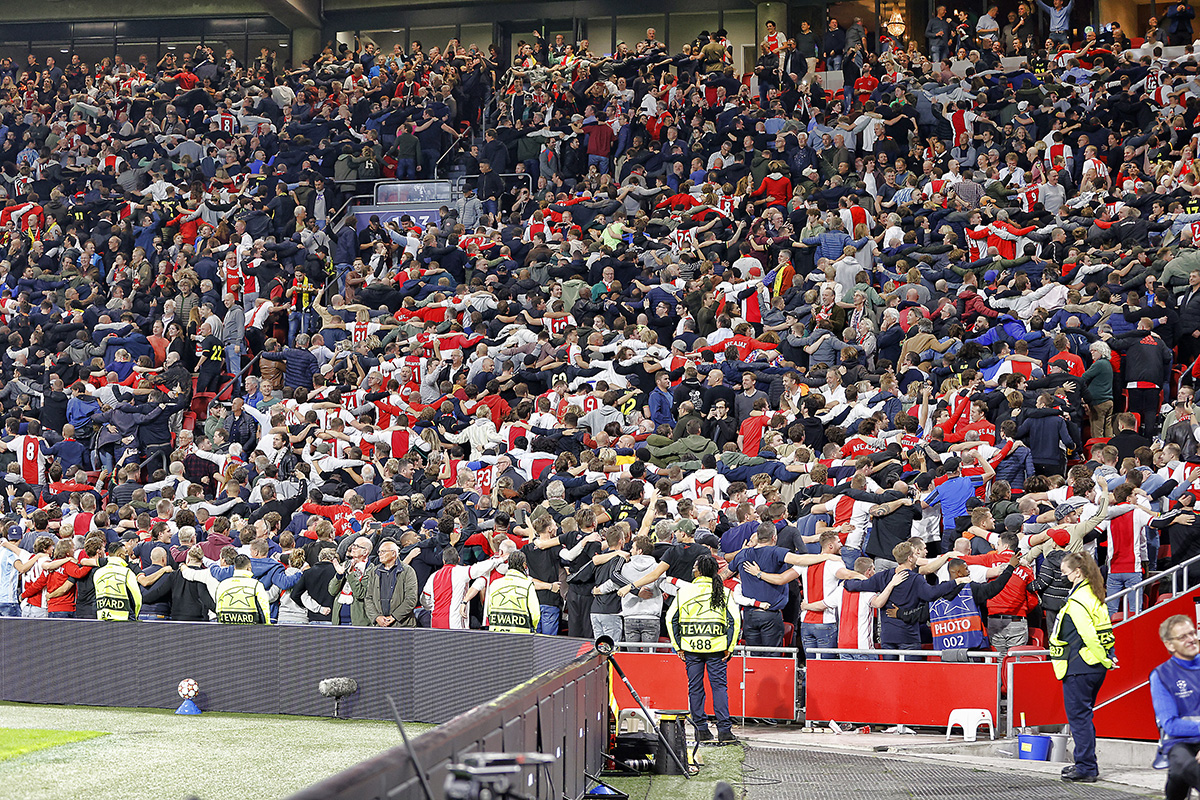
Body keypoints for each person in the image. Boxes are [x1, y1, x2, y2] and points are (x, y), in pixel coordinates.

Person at [1052, 551, 1115, 782]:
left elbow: (1089, 636)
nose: (1063, 576)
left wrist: (1105, 659)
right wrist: (1108, 658)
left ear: (1077, 572)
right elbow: (1105, 631)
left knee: (1079, 719)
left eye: (1065, 572)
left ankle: (1086, 767)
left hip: (1080, 666)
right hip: (1093, 666)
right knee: (1084, 717)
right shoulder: (1095, 594)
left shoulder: (1078, 600)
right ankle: (1086, 764)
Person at [667, 553, 740, 744]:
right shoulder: (724, 592)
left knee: (695, 688)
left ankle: (701, 730)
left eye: (694, 567)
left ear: (698, 571)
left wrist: (678, 646)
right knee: (719, 688)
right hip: (717, 649)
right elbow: (735, 621)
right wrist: (730, 646)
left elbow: (670, 619)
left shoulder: (684, 591)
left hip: (691, 649)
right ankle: (724, 730)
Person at [1151, 614, 1200, 800]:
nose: (1191, 639)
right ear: (1170, 645)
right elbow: (1170, 725)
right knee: (1183, 768)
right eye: (1183, 637)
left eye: (1192, 633)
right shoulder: (1161, 675)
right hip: (1179, 742)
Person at [364, 539, 419, 627]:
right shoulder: (374, 572)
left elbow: (411, 599)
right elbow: (368, 598)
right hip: (379, 626)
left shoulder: (407, 571)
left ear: (393, 553)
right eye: (379, 552)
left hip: (403, 626)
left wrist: (394, 617)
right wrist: (376, 617)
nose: (380, 554)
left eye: (383, 551)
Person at [484, 550, 540, 634]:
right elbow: (535, 613)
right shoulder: (528, 585)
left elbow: (488, 609)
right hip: (521, 633)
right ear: (524, 564)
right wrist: (533, 627)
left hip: (497, 632)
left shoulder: (494, 584)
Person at [215, 554, 273, 624]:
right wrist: (267, 625)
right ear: (249, 568)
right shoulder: (256, 585)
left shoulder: (223, 584)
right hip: (252, 628)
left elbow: (218, 608)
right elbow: (264, 608)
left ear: (234, 568)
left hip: (227, 627)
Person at [94, 541, 141, 621]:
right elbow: (137, 597)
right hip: (125, 617)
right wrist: (136, 615)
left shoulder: (98, 573)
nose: (127, 555)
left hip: (103, 617)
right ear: (120, 555)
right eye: (125, 553)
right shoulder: (127, 572)